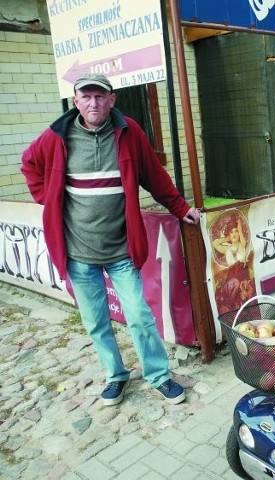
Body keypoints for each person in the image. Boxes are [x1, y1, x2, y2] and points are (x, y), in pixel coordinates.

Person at [21, 72, 201, 406]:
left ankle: (159, 376)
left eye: (100, 96)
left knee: (139, 315)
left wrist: (180, 207)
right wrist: (49, 199)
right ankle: (115, 376)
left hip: (120, 250)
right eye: (86, 97)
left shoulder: (129, 132)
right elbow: (29, 164)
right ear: (75, 100)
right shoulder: (57, 136)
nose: (93, 102)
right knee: (96, 321)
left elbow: (154, 176)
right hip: (77, 252)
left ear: (111, 99)